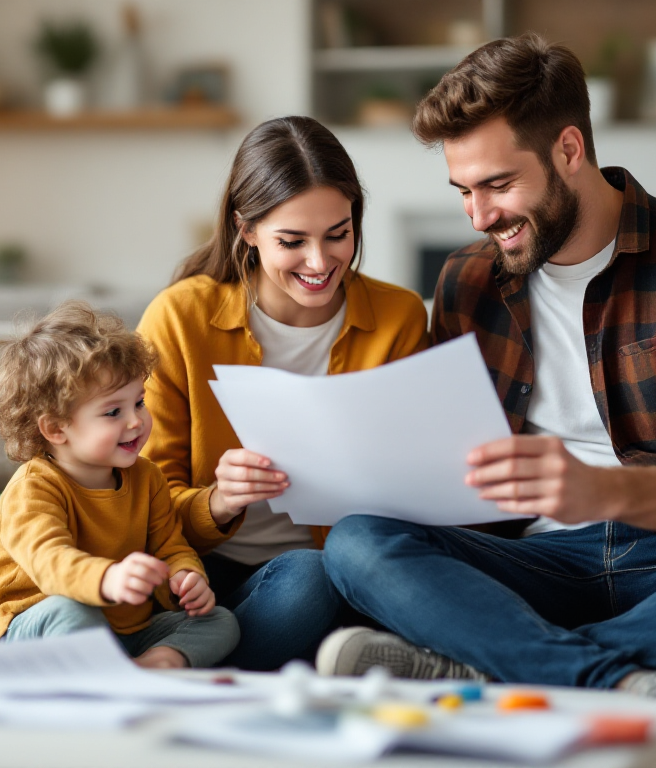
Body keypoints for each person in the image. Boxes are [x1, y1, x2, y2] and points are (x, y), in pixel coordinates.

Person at [314, 34, 656, 750]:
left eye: (498, 185)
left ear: (569, 149)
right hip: (532, 565)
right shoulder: (466, 281)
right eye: (464, 192)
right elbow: (453, 470)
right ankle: (624, 686)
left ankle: (495, 668)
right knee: (358, 540)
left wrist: (603, 490)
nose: (478, 216)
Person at [137, 116, 429, 671]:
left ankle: (188, 669)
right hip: (198, 580)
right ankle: (202, 659)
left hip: (332, 571)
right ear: (246, 229)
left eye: (338, 234)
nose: (320, 263)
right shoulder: (179, 318)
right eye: (292, 242)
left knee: (321, 577)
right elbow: (144, 502)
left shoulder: (399, 317)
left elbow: (417, 478)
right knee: (313, 591)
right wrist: (219, 501)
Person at [0, 301, 238, 669]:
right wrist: (109, 578)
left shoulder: (147, 477)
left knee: (219, 620)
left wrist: (185, 578)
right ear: (56, 428)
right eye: (113, 412)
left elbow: (170, 546)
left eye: (139, 403)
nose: (136, 421)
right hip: (30, 621)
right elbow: (51, 562)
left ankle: (151, 664)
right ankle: (101, 665)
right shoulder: (32, 489)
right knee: (71, 611)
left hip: (123, 630)